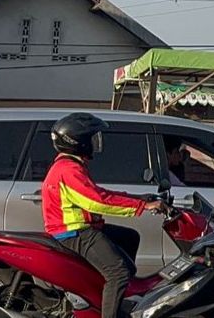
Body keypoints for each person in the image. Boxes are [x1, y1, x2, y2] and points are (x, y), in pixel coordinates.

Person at [42, 113, 163, 318]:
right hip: (76, 232)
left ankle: (111, 296)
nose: (96, 142)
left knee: (130, 237)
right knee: (119, 272)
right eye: (92, 138)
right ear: (78, 142)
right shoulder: (69, 169)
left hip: (82, 229)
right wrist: (143, 206)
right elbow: (97, 201)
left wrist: (139, 198)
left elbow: (98, 193)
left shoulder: (70, 165)